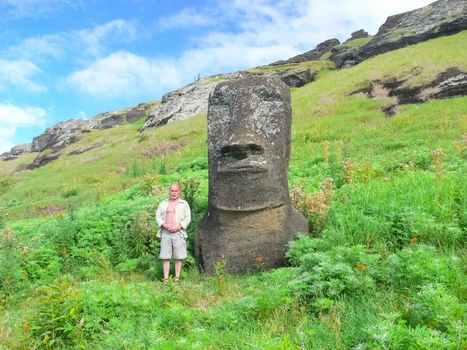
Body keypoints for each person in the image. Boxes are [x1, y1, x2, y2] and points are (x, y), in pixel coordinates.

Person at [156, 183, 191, 282]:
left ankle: (176, 278)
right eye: (172, 191)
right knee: (165, 256)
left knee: (178, 257)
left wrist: (178, 227)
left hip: (178, 232)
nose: (174, 193)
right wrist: (164, 225)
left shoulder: (184, 204)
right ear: (169, 191)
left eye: (176, 191)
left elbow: (188, 218)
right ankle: (166, 278)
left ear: (179, 191)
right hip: (166, 233)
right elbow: (157, 216)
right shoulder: (163, 203)